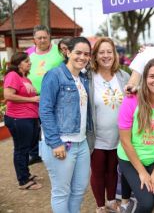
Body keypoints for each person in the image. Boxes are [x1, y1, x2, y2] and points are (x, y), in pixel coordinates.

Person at [39, 37, 93, 213]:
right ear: (67, 52)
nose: (82, 57)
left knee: (79, 189)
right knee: (61, 192)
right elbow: (45, 110)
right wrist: (55, 143)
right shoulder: (54, 75)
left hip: (81, 142)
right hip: (61, 143)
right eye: (78, 52)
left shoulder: (83, 78)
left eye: (86, 54)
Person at [117, 58, 154, 213]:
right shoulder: (131, 100)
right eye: (152, 76)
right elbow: (125, 141)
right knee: (146, 203)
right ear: (145, 78)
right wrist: (142, 173)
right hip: (130, 159)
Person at [88, 37, 134, 213]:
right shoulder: (89, 78)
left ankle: (111, 200)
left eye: (109, 52)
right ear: (95, 56)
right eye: (102, 52)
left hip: (120, 135)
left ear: (115, 54)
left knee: (113, 171)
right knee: (98, 171)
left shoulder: (124, 76)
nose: (106, 56)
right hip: (97, 135)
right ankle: (101, 205)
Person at [3, 52, 42, 190]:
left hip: (29, 118)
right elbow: (8, 95)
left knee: (26, 148)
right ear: (18, 63)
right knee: (21, 149)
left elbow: (29, 95)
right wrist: (31, 99)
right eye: (26, 61)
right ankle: (23, 181)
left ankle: (25, 173)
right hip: (18, 118)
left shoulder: (25, 78)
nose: (29, 63)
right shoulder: (12, 75)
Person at [27, 25, 64, 165]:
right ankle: (35, 153)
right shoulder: (28, 53)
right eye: (39, 38)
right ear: (34, 40)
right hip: (33, 97)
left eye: (45, 37)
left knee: (52, 124)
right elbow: (20, 70)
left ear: (50, 37)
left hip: (56, 96)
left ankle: (55, 150)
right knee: (34, 128)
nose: (42, 40)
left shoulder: (59, 51)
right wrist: (24, 82)